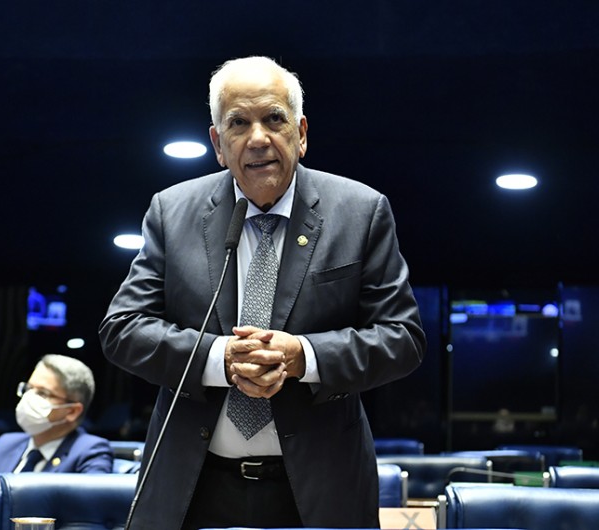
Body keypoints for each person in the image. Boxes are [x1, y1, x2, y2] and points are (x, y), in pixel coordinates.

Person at [99, 55, 426, 530]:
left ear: (301, 132)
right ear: (218, 143)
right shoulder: (172, 211)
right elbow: (122, 329)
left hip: (320, 489)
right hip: (192, 486)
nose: (258, 138)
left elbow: (403, 338)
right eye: (238, 123)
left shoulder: (361, 212)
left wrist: (303, 357)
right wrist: (220, 359)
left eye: (274, 119)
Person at [0, 354, 114, 528]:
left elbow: (88, 522)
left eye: (43, 393)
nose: (29, 398)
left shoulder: (90, 451)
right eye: (28, 388)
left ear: (72, 411)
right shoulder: (5, 445)